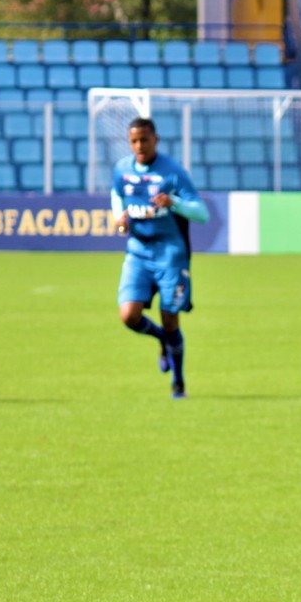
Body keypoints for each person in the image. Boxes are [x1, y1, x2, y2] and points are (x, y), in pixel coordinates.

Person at [111, 117, 209, 398]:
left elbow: (202, 213)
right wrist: (119, 217)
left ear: (156, 140)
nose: (139, 145)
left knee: (170, 319)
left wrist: (174, 203)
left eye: (144, 139)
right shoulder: (122, 169)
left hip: (170, 255)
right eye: (134, 141)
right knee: (128, 315)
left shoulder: (173, 172)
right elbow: (117, 194)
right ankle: (162, 341)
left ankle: (178, 383)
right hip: (138, 252)